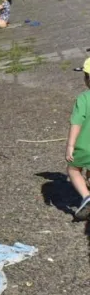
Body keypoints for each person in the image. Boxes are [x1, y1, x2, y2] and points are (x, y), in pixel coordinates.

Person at [67, 59, 90, 221]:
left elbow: (76, 123)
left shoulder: (83, 99)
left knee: (73, 170)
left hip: (85, 146)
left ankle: (86, 197)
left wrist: (70, 145)